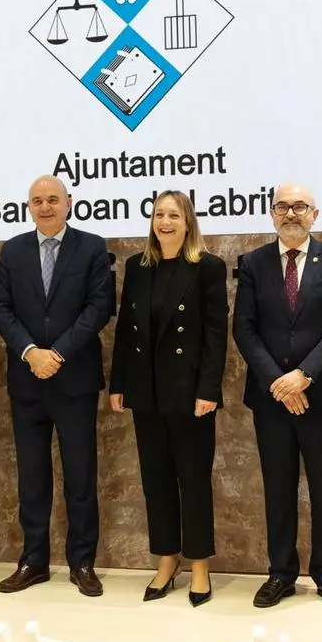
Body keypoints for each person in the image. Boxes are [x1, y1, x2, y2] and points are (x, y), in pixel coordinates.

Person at [232, 183, 322, 611]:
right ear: (271, 214)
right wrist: (279, 383)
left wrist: (303, 376)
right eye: (282, 206)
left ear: (314, 215)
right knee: (278, 488)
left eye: (300, 206)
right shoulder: (253, 263)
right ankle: (281, 573)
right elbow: (244, 328)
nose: (291, 213)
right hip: (272, 401)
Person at [0, 175, 115, 597]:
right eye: (37, 201)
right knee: (32, 478)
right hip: (27, 381)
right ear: (29, 206)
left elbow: (99, 307)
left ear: (69, 203)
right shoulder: (13, 250)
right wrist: (30, 352)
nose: (45, 207)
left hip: (74, 379)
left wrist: (57, 353)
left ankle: (82, 562)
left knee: (80, 476)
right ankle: (34, 561)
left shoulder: (91, 247)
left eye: (52, 200)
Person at [109, 190, 228, 607]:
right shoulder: (137, 266)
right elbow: (126, 329)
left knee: (193, 482)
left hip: (190, 394)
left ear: (188, 221)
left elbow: (216, 335)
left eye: (173, 215)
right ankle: (166, 559)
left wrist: (208, 390)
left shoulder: (207, 267)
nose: (165, 222)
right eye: (159, 214)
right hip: (146, 392)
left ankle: (199, 564)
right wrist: (119, 383)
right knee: (156, 482)